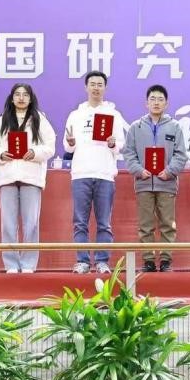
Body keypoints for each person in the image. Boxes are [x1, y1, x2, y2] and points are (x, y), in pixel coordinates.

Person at [0, 83, 56, 274]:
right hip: (7, 176)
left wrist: (35, 152)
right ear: (11, 98)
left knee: (31, 223)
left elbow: (50, 146)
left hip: (31, 176)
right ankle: (10, 264)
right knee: (8, 224)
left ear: (31, 98)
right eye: (17, 94)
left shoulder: (39, 119)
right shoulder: (1, 120)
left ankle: (28, 264)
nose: (21, 98)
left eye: (25, 94)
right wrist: (0, 154)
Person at [63, 70, 127, 275]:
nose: (96, 88)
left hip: (104, 174)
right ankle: (82, 261)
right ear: (86, 87)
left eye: (100, 84)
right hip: (81, 173)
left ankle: (102, 261)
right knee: (80, 222)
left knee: (104, 222)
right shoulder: (75, 115)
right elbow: (68, 145)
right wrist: (70, 143)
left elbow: (121, 145)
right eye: (92, 84)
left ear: (105, 88)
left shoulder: (113, 115)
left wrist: (113, 143)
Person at [122, 84, 190, 272]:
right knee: (145, 225)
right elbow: (129, 153)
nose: (156, 103)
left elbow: (181, 154)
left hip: (167, 183)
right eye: (153, 99)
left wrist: (169, 171)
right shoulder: (136, 127)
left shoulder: (174, 127)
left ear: (166, 103)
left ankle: (166, 260)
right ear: (146, 103)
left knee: (168, 224)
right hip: (143, 183)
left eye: (160, 99)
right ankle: (149, 261)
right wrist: (138, 170)